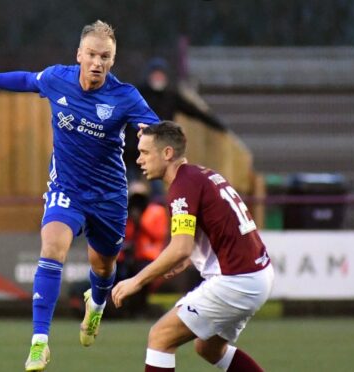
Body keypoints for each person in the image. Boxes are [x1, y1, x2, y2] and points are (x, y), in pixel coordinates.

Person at [0, 20, 160, 371]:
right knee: (51, 248)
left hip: (109, 196)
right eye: (92, 54)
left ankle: (96, 305)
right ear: (79, 55)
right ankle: (39, 343)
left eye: (105, 57)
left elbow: (156, 130)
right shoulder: (57, 78)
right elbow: (25, 80)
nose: (97, 62)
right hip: (67, 188)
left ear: (113, 60)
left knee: (104, 266)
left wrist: (152, 140)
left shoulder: (125, 97)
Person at [112, 121, 274, 372]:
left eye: (145, 152)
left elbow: (180, 248)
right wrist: (189, 258)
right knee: (208, 348)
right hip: (257, 275)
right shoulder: (200, 175)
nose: (139, 159)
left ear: (167, 154)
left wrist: (136, 281)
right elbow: (214, 228)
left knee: (160, 337)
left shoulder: (182, 187)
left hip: (236, 281)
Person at [123, 57, 226, 185]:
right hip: (133, 151)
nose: (158, 78)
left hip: (158, 151)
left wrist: (218, 125)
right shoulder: (137, 95)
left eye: (161, 75)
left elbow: (194, 111)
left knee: (157, 188)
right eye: (156, 75)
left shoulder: (171, 96)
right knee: (132, 188)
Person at [118, 180, 169, 317]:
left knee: (142, 274)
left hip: (149, 258)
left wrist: (140, 222)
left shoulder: (156, 211)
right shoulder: (125, 213)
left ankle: (141, 309)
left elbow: (158, 234)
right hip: (130, 257)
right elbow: (124, 236)